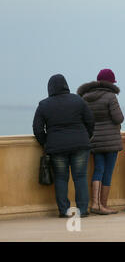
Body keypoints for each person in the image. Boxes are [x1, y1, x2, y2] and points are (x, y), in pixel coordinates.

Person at [33, 74, 94, 218]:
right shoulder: (78, 100)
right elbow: (90, 121)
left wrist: (46, 142)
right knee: (80, 177)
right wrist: (86, 136)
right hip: (80, 145)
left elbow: (37, 129)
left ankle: (64, 210)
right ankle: (83, 210)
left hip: (57, 147)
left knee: (61, 178)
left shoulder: (44, 104)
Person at [77, 69, 124, 215]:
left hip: (94, 139)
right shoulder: (110, 96)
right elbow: (118, 118)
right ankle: (103, 205)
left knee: (98, 169)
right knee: (107, 172)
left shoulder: (85, 97)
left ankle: (95, 204)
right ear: (110, 82)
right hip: (110, 141)